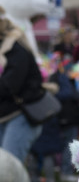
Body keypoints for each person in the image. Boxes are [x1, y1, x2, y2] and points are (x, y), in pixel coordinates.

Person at [0, 10, 45, 163]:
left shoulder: (15, 48)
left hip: (21, 114)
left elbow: (9, 85)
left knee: (9, 166)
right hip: (5, 113)